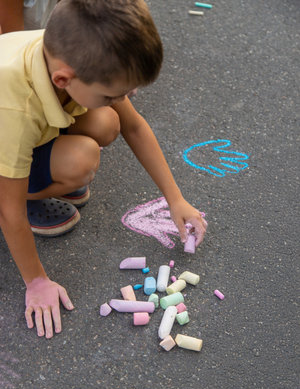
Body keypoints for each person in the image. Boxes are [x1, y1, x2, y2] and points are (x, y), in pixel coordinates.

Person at [0, 0, 207, 339]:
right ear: (64, 78)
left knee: (107, 121)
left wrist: (176, 199)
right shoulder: (14, 107)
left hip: (24, 128)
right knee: (80, 160)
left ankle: (50, 171)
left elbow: (134, 127)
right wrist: (36, 281)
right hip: (7, 140)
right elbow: (8, 211)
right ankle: (38, 190)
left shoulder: (72, 54)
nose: (128, 96)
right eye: (115, 92)